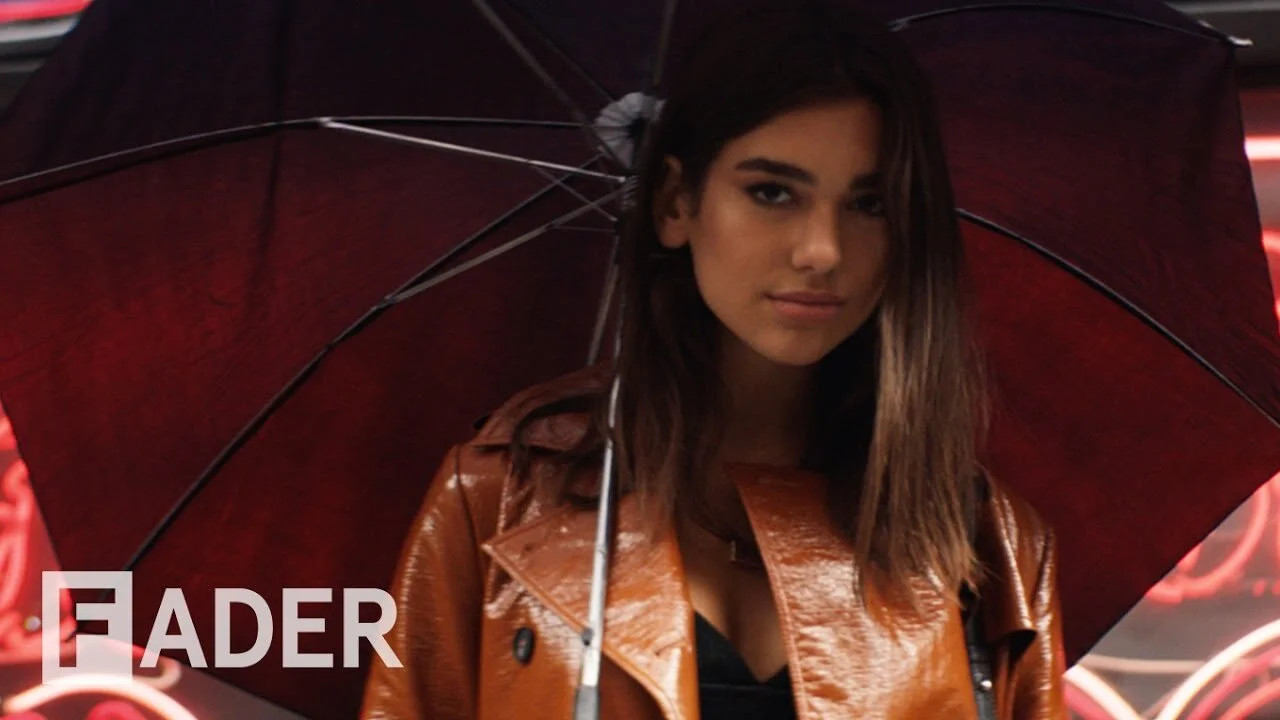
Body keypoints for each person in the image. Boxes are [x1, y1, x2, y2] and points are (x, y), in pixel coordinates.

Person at [362, 1, 1066, 718]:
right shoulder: (498, 497)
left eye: (872, 204)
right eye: (772, 192)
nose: (822, 250)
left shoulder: (987, 546)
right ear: (675, 202)